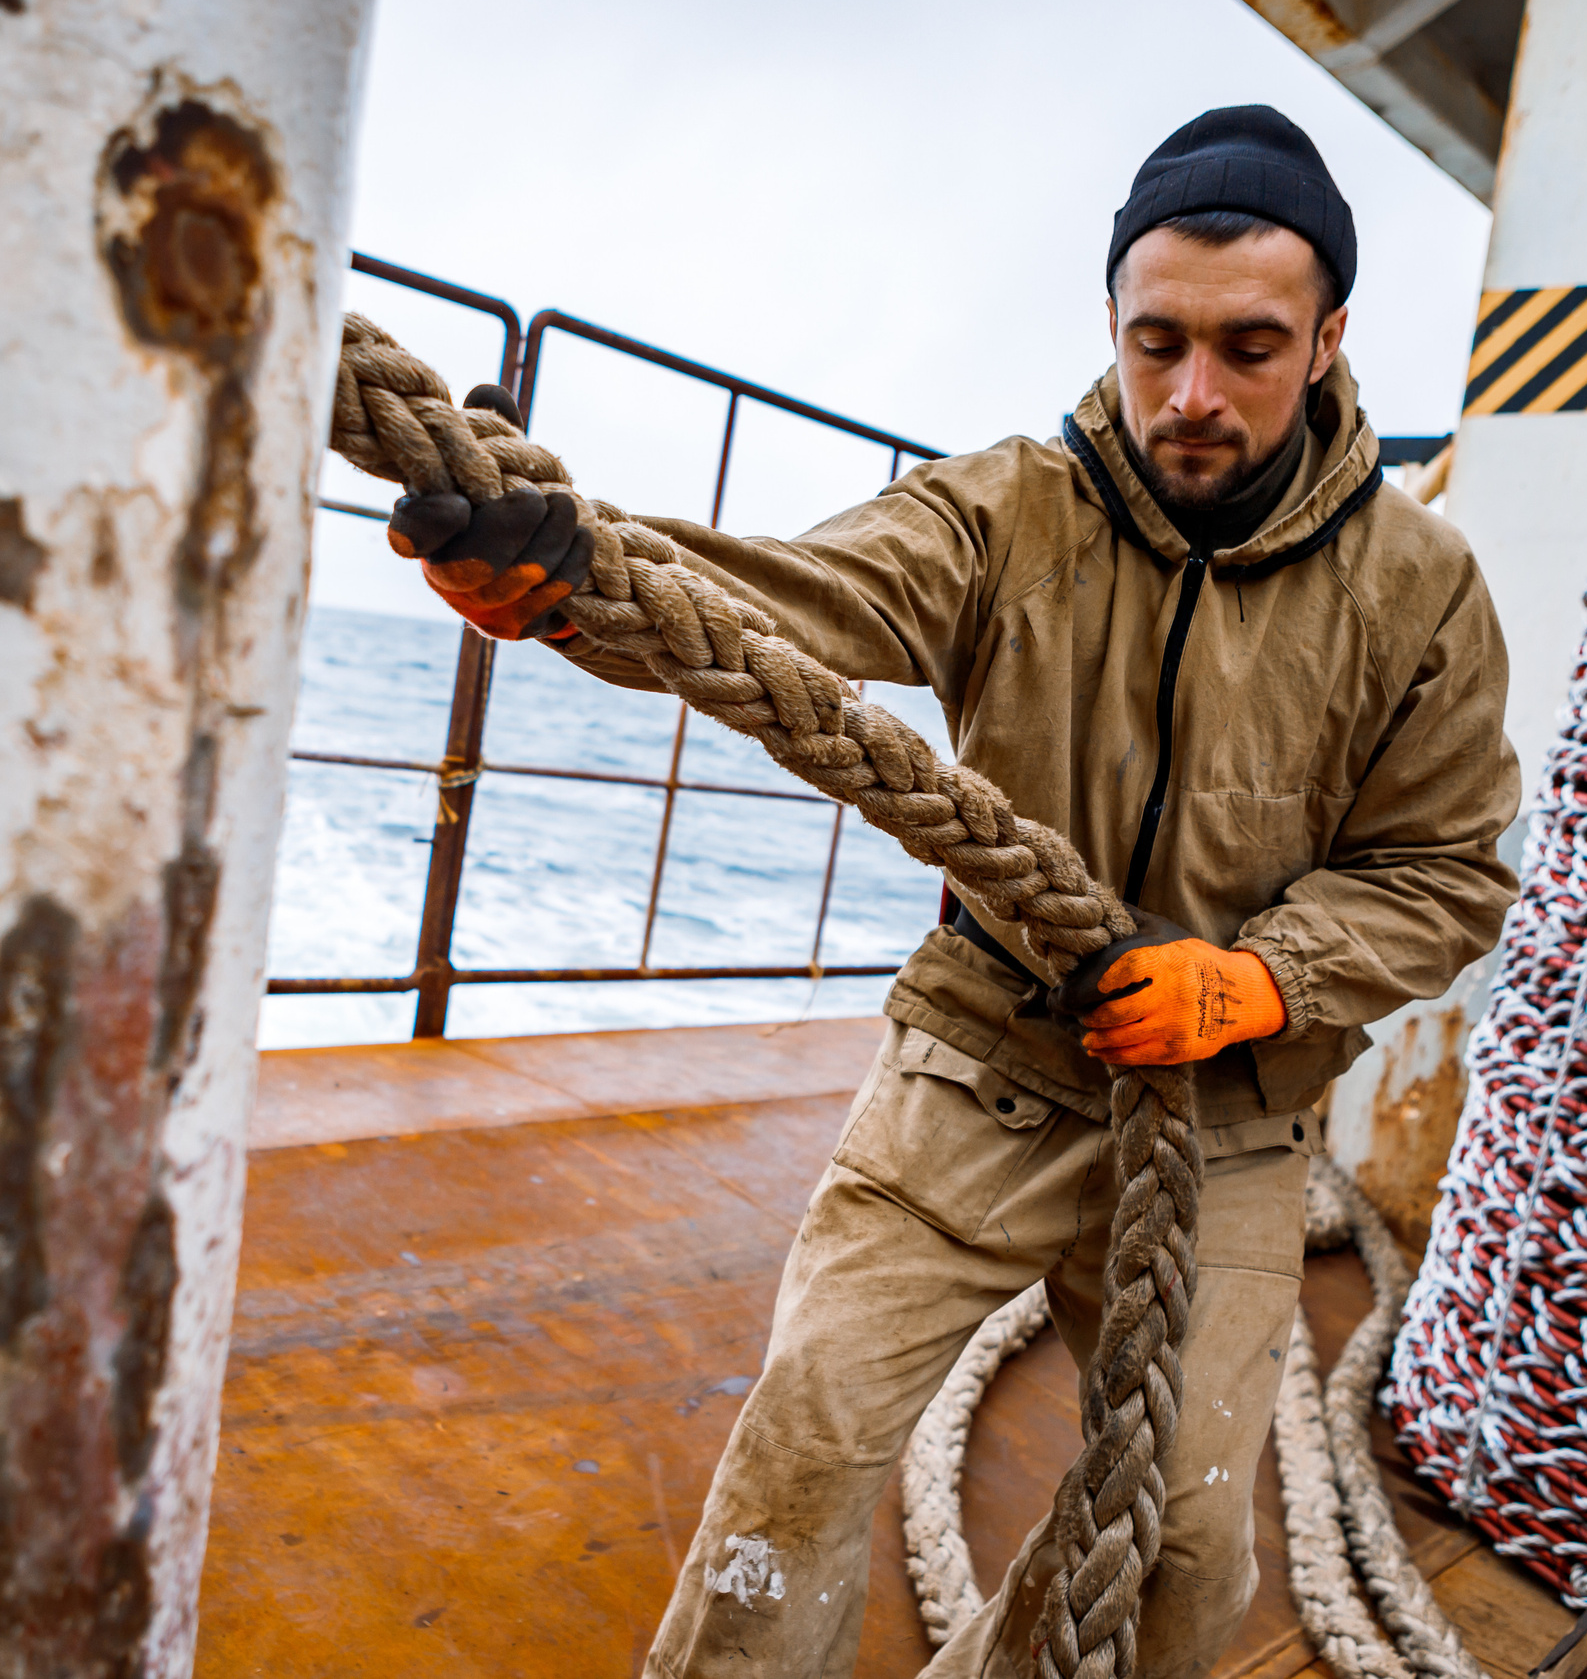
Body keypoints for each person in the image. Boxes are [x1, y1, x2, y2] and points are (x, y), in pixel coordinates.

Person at [383, 106, 1519, 1679]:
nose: (1194, 397)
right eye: (1158, 342)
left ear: (1328, 341)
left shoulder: (1420, 586)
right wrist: (575, 586)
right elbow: (788, 603)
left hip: (1231, 1115)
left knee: (1186, 1549)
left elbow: (1452, 870)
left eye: (1249, 348)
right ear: (1110, 329)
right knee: (803, 1461)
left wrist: (1259, 979)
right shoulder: (1005, 510)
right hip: (981, 1068)